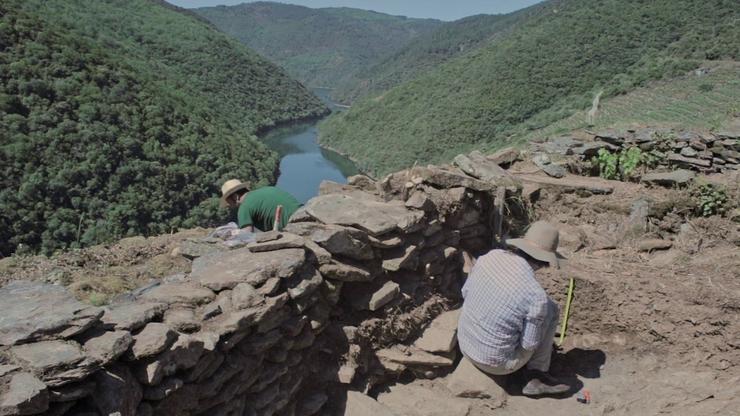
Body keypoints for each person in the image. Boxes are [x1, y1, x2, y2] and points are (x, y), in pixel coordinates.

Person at [457, 221, 570, 397]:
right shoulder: (535, 296)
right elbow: (529, 344)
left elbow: (465, 292)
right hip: (497, 365)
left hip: (465, 344)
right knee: (551, 309)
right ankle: (536, 376)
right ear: (544, 261)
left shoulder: (490, 257)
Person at [220, 179, 302, 232]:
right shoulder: (269, 189)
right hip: (303, 213)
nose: (229, 205)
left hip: (294, 227)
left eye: (228, 201)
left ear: (235, 196)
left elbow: (246, 234)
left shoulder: (244, 207)